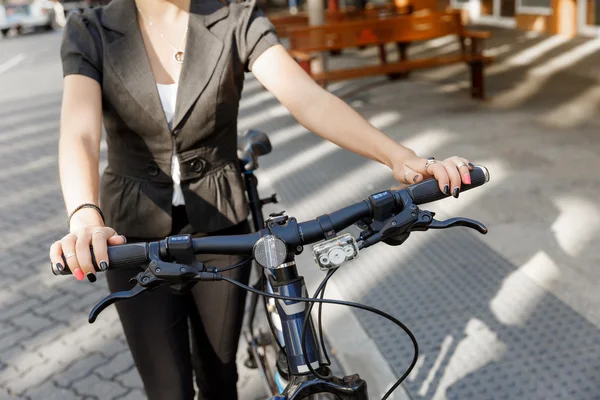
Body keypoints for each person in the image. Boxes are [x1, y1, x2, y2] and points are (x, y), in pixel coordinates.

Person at [48, 0, 475, 398]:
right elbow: (80, 132)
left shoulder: (234, 17)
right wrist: (85, 216)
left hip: (222, 229)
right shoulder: (91, 29)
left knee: (219, 373)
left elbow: (306, 98)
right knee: (167, 388)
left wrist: (401, 157)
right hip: (132, 234)